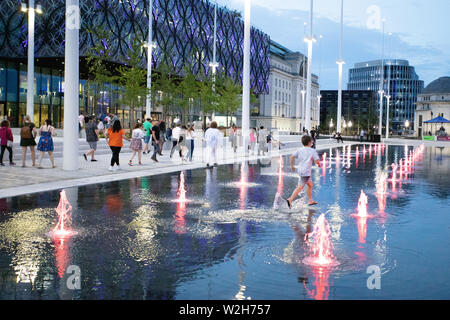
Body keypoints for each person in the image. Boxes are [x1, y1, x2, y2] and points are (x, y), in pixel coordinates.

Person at [284, 135, 321, 208]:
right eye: (312, 141)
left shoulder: (300, 150)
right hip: (306, 172)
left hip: (301, 170)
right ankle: (290, 199)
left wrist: (292, 166)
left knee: (310, 185)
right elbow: (317, 160)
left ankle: (310, 200)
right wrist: (319, 164)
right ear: (310, 142)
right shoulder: (312, 151)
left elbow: (292, 157)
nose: (313, 142)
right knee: (300, 187)